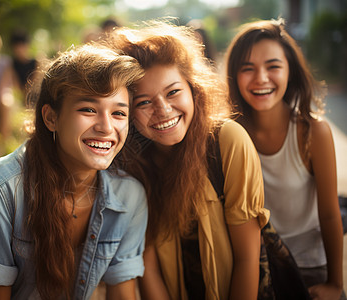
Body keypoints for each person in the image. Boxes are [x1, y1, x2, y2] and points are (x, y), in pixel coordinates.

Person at [0, 44, 147, 299]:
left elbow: (123, 294)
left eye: (118, 113)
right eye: (88, 109)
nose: (106, 127)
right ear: (51, 118)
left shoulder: (129, 197)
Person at [103, 21, 269, 300]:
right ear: (128, 111)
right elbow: (149, 266)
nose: (163, 110)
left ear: (194, 89)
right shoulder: (132, 161)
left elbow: (247, 258)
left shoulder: (227, 141)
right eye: (143, 102)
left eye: (173, 92)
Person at [224, 18, 344, 299]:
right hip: (251, 266)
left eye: (273, 66)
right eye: (247, 69)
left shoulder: (312, 131)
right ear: (233, 75)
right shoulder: (228, 134)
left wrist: (335, 284)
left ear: (290, 70)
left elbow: (329, 213)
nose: (261, 78)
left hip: (309, 264)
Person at [10, 31, 37, 95]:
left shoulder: (36, 63)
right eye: (17, 46)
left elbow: (35, 85)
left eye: (22, 45)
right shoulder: (11, 64)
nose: (19, 49)